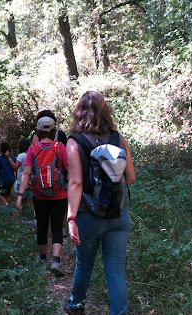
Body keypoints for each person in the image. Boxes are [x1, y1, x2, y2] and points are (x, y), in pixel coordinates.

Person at [63, 91, 136, 315]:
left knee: (85, 264)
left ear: (79, 112)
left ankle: (76, 305)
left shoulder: (74, 142)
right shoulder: (118, 138)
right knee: (115, 270)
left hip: (88, 216)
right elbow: (131, 177)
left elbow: (75, 183)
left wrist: (71, 218)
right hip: (118, 214)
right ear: (106, 112)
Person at [16, 116, 68, 276]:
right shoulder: (60, 147)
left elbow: (26, 173)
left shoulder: (33, 148)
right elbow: (69, 170)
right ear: (54, 131)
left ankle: (43, 258)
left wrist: (20, 194)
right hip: (60, 194)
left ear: (38, 131)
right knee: (57, 227)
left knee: (42, 226)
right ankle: (56, 261)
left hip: (40, 195)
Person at [7, 138, 35, 218]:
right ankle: (35, 214)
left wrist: (9, 158)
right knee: (31, 200)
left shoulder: (21, 156)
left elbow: (16, 167)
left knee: (23, 200)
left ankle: (24, 217)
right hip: (30, 180)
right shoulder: (31, 154)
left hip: (22, 181)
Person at [0, 142, 16, 207]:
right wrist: (16, 176)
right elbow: (15, 168)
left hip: (2, 179)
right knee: (8, 194)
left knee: (0, 194)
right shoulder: (13, 158)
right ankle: (9, 207)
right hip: (11, 179)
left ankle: (6, 204)